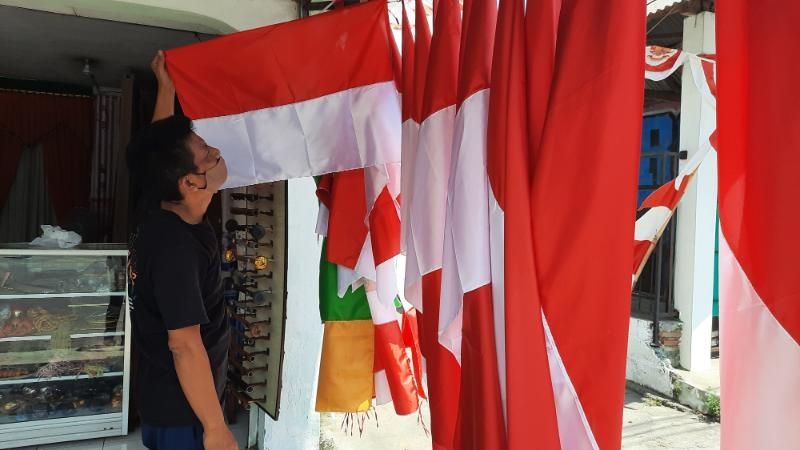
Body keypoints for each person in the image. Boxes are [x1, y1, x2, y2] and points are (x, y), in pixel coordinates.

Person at [126, 50, 237, 450]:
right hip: (184, 414)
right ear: (190, 183)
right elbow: (184, 344)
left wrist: (166, 89)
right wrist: (215, 428)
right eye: (209, 155)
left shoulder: (160, 200)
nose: (218, 155)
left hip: (169, 399)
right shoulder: (177, 249)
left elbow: (160, 150)